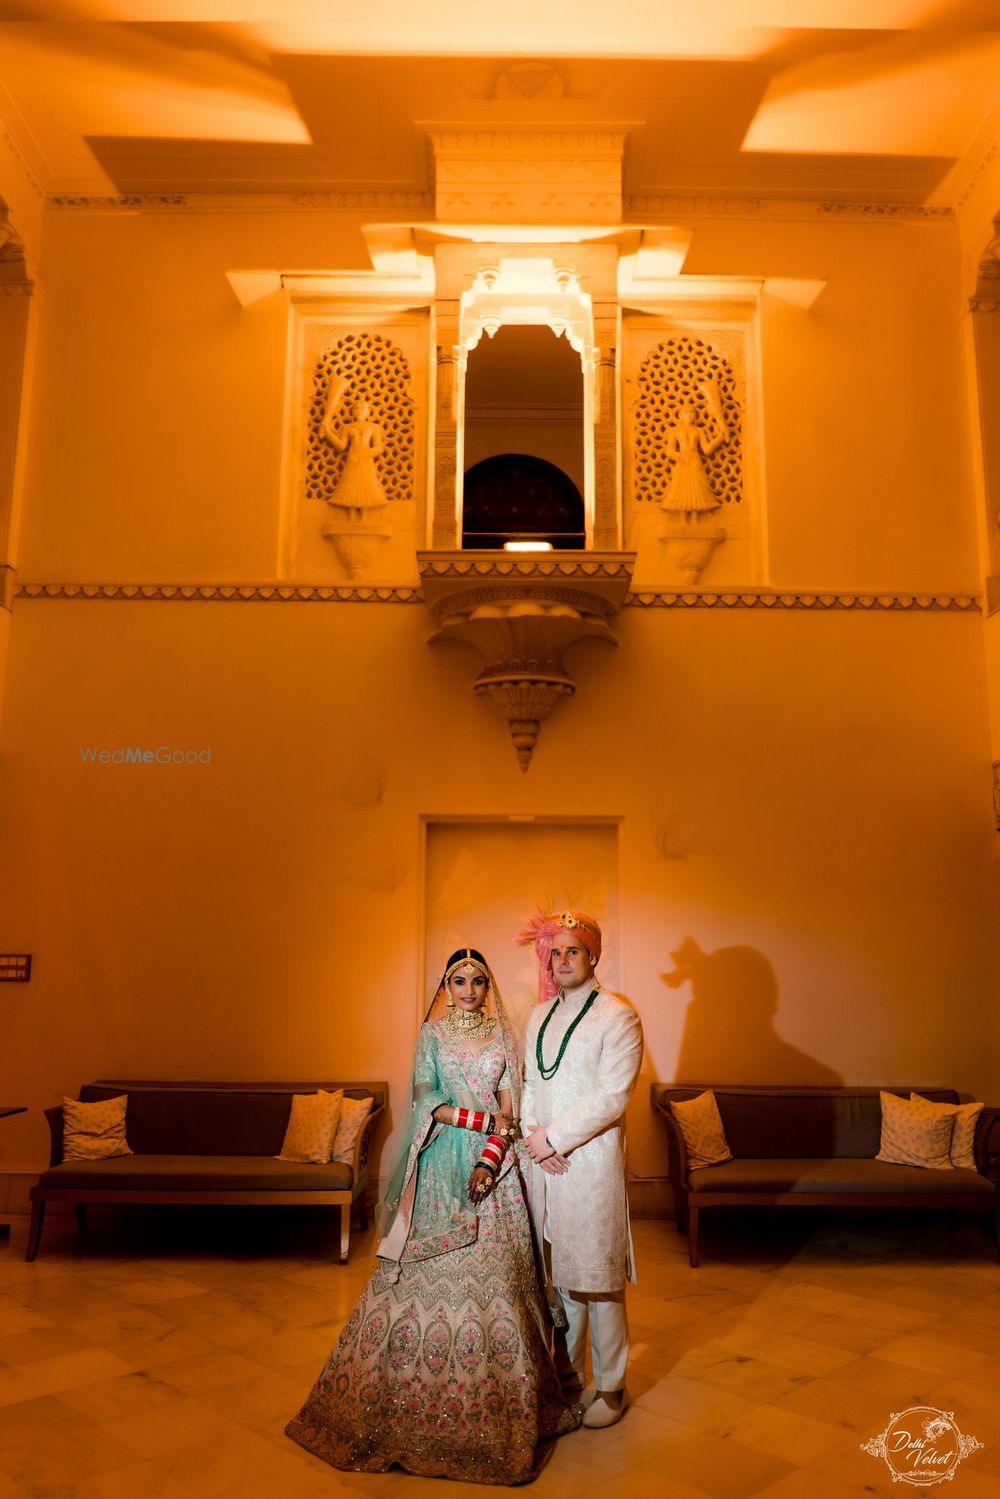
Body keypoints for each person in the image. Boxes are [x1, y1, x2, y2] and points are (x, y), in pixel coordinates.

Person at [286, 947, 579, 1484]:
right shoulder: (432, 1036)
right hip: (441, 1157)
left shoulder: (500, 1037)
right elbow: (427, 1104)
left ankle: (504, 1408)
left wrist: (490, 1161)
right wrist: (478, 1119)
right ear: (445, 987)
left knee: (503, 1281)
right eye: (458, 981)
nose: (468, 989)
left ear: (488, 988)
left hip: (493, 1164)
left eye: (478, 981)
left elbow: (510, 1114)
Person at [516, 910, 644, 1430]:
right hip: (544, 1163)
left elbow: (612, 1095)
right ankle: (566, 1375)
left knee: (597, 1277)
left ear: (593, 955)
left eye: (574, 950)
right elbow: (528, 1084)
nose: (563, 960)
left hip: (589, 1165)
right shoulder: (539, 1016)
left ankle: (611, 1387)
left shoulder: (617, 1016)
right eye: (556, 952)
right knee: (556, 1276)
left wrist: (554, 1137)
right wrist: (534, 1138)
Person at [321, 395, 389, 520]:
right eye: (356, 408)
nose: (359, 411)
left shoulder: (373, 427)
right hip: (352, 459)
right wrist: (328, 433)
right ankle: (351, 512)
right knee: (350, 485)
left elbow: (379, 448)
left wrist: (362, 455)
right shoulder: (348, 427)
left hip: (365, 459)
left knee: (365, 484)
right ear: (352, 411)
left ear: (368, 411)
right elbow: (341, 446)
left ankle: (364, 513)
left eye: (363, 408)